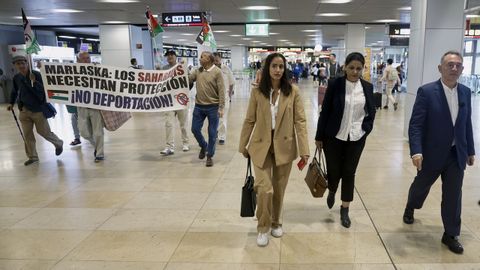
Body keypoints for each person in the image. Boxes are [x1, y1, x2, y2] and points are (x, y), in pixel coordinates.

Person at [403, 51, 475, 255]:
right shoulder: (426, 92)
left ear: (462, 69)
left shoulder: (465, 92)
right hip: (431, 153)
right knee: (420, 187)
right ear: (440, 68)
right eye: (450, 65)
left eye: (458, 65)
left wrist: (469, 149)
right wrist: (416, 151)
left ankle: (450, 234)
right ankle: (411, 206)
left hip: (455, 154)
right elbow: (416, 125)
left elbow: (466, 123)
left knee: (453, 195)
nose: (454, 68)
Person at [239, 53, 309, 247]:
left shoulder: (293, 91)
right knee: (264, 189)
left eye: (281, 66)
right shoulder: (257, 92)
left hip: (284, 147)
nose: (278, 70)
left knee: (279, 189)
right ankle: (263, 227)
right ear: (267, 69)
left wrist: (304, 148)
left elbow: (300, 121)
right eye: (274, 66)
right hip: (260, 145)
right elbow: (249, 119)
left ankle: (276, 222)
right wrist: (243, 144)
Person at [315, 52, 376, 228]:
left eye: (359, 68)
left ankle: (345, 208)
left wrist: (367, 128)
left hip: (357, 137)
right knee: (334, 170)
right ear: (345, 67)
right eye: (351, 68)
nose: (355, 72)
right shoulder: (335, 84)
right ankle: (332, 189)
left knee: (349, 172)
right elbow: (325, 111)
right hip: (334, 135)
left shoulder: (367, 87)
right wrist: (319, 136)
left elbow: (371, 111)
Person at [7, 55, 64, 166]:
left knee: (44, 132)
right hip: (24, 110)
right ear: (15, 65)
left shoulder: (36, 75)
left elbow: (44, 91)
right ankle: (33, 156)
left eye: (23, 63)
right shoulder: (17, 78)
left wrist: (35, 82)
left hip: (38, 109)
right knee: (27, 134)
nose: (21, 66)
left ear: (27, 63)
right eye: (18, 64)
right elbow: (14, 91)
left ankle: (58, 143)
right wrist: (11, 102)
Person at [189, 51, 225, 167]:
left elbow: (221, 90)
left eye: (202, 57)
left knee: (212, 132)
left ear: (209, 59)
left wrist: (221, 107)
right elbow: (188, 80)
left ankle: (209, 155)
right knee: (194, 129)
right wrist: (180, 72)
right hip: (199, 106)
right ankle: (203, 146)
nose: (200, 59)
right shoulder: (198, 71)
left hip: (213, 107)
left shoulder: (217, 72)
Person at [76, 52, 105, 162]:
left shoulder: (96, 69)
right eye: (83, 58)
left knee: (98, 131)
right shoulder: (73, 70)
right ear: (78, 60)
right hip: (81, 105)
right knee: (84, 132)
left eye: (88, 58)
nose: (86, 60)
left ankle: (99, 154)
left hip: (95, 105)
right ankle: (97, 147)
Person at [160, 50, 190, 155]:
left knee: (183, 124)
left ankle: (186, 143)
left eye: (171, 55)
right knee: (168, 123)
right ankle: (169, 147)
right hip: (168, 101)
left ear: (175, 56)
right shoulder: (163, 69)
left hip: (181, 100)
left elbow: (189, 82)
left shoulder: (182, 67)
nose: (169, 57)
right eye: (167, 56)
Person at [213, 52, 235, 145]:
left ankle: (222, 137)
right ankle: (216, 131)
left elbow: (231, 82)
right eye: (214, 60)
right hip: (213, 97)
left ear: (220, 59)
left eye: (217, 60)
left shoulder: (226, 69)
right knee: (214, 118)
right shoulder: (210, 69)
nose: (216, 62)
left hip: (224, 97)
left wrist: (229, 95)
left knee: (222, 118)